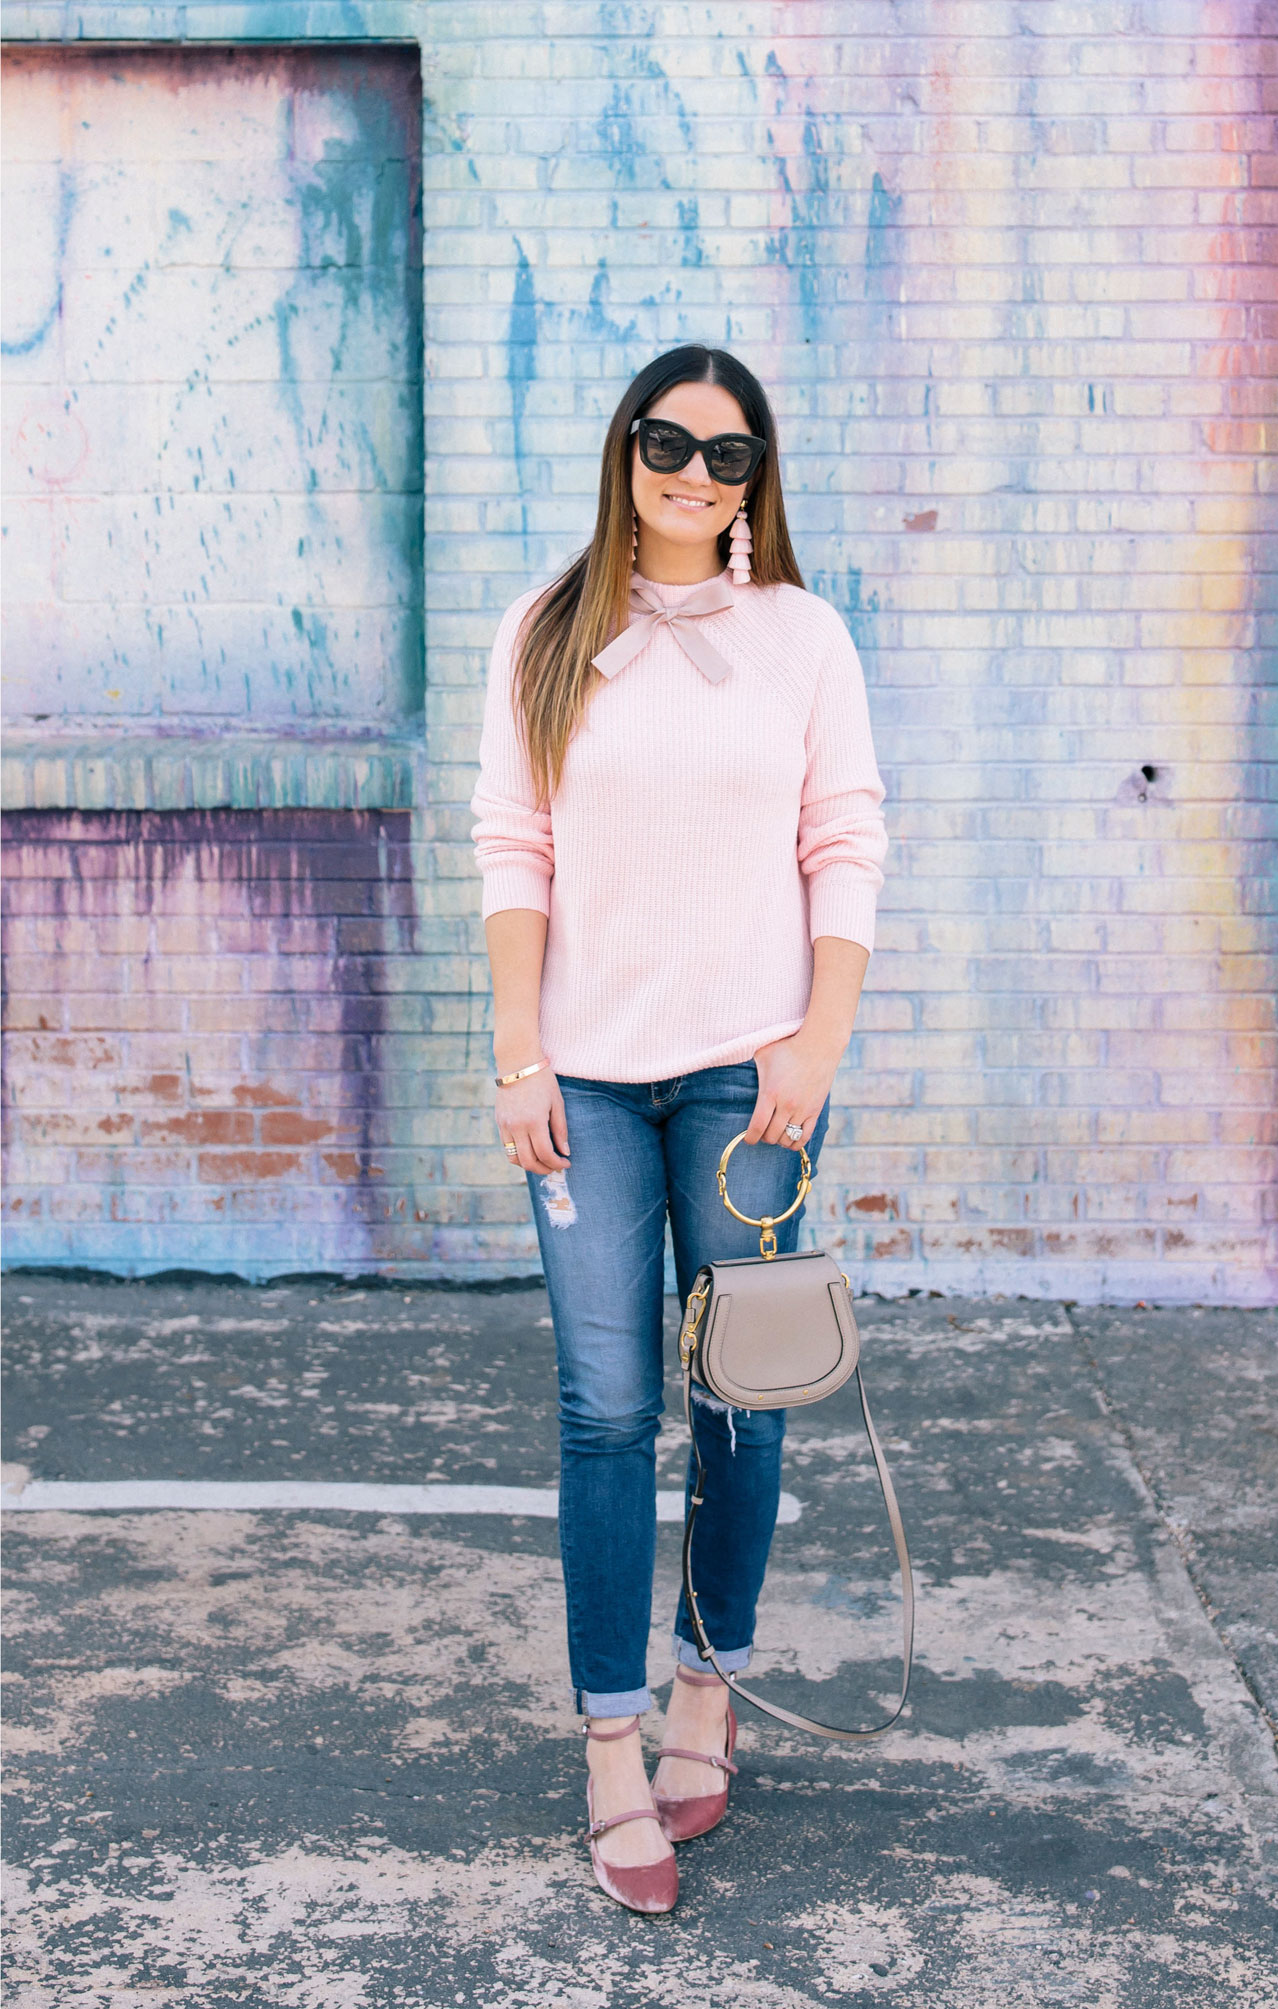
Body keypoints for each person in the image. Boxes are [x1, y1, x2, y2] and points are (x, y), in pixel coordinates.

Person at [470, 344, 887, 1913]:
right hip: (581, 1077)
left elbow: (843, 842)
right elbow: (514, 846)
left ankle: (710, 1684)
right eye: (667, 443)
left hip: (752, 1079)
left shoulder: (805, 637)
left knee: (743, 1396)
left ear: (756, 478)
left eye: (727, 455)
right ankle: (606, 1738)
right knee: (601, 1405)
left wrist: (816, 1045)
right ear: (624, 450)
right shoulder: (548, 630)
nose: (693, 476)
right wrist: (518, 1051)